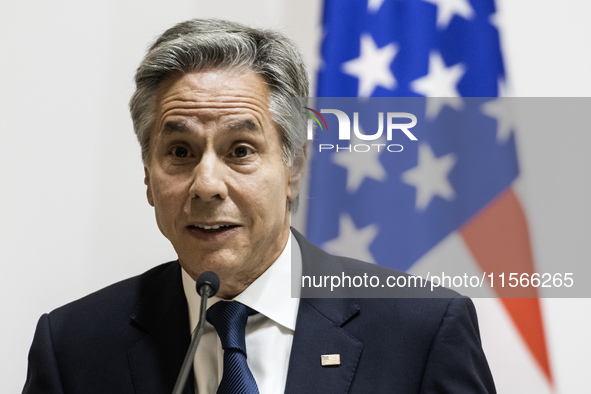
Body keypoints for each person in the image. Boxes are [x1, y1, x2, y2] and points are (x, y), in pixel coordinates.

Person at [23, 19, 496, 393]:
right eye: (181, 152)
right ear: (148, 176)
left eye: (241, 150)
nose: (207, 185)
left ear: (293, 168)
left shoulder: (422, 329)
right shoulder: (73, 345)